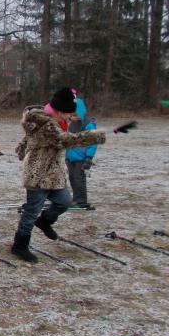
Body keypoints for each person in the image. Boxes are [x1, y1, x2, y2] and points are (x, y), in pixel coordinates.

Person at [11, 87, 105, 263]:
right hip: (38, 176)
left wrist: (22, 148)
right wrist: (95, 136)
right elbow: (65, 141)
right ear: (60, 111)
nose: (70, 117)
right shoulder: (47, 125)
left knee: (65, 201)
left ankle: (45, 221)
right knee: (31, 211)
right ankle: (19, 245)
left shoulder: (51, 121)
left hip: (53, 175)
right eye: (69, 114)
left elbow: (29, 137)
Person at [65, 94, 98, 210]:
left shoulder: (88, 124)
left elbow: (93, 142)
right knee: (72, 178)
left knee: (79, 178)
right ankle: (75, 198)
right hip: (71, 157)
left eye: (74, 114)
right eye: (70, 115)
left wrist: (89, 157)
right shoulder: (71, 125)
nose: (72, 117)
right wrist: (66, 155)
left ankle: (81, 200)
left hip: (82, 157)